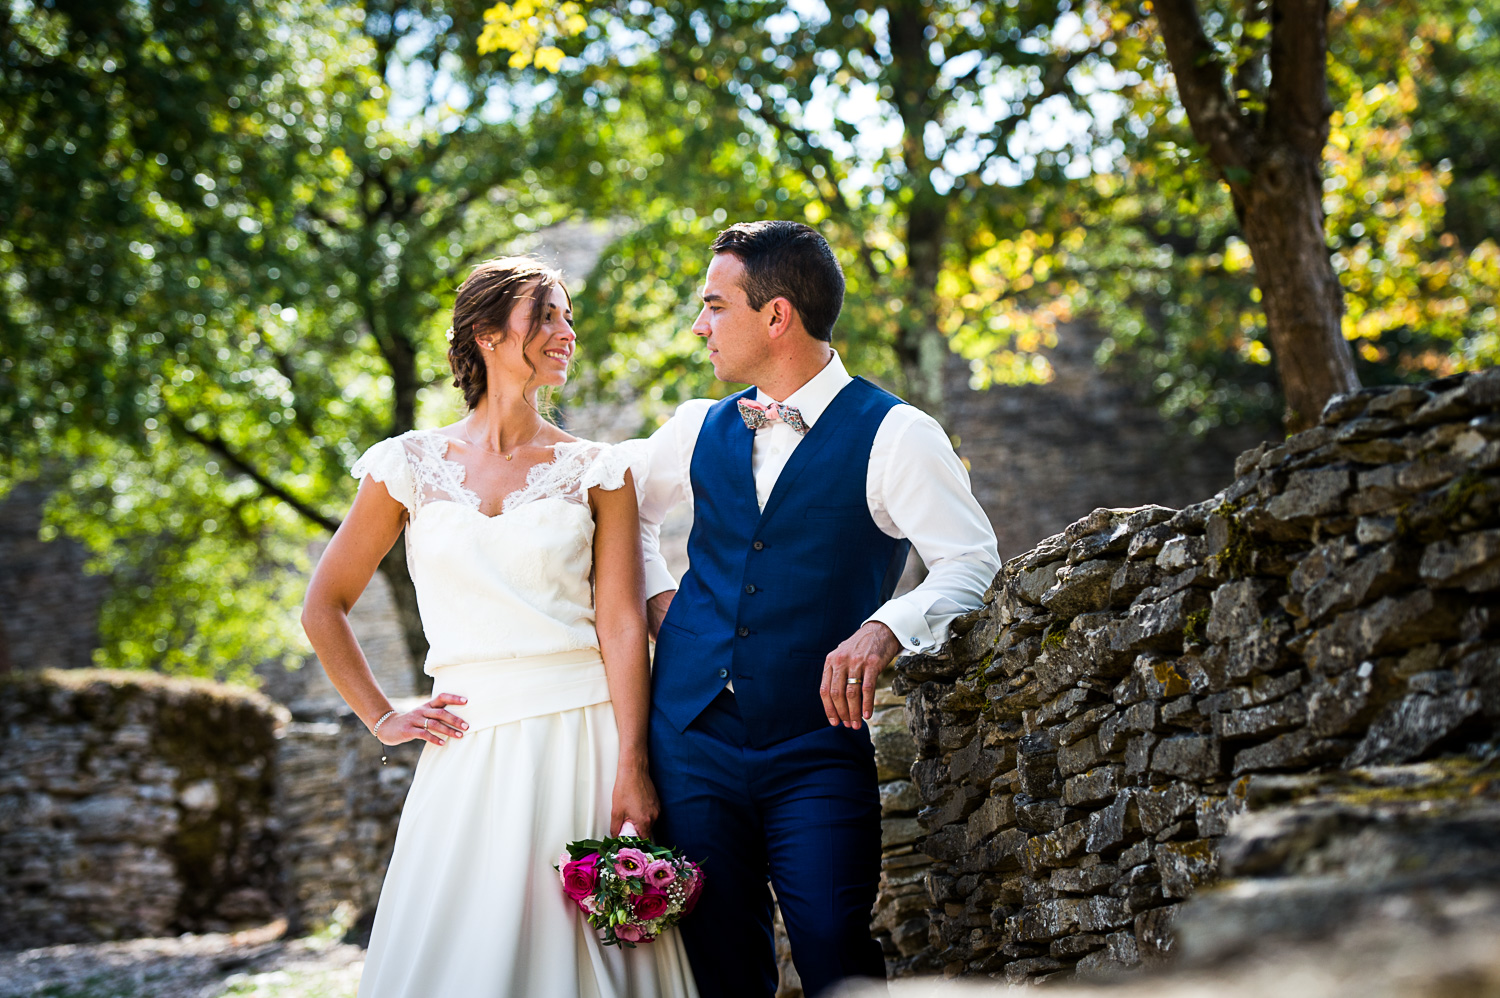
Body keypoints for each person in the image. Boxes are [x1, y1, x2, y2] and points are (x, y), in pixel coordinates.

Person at [301, 257, 697, 998]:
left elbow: (619, 625)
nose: (565, 332)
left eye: (568, 316)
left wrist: (633, 763)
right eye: (546, 314)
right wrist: (383, 716)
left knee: (585, 962)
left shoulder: (599, 469)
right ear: (486, 333)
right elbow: (323, 605)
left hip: (583, 738)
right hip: (468, 748)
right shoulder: (406, 465)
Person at [631, 221, 1000, 997]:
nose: (700, 325)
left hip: (816, 740)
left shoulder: (898, 433)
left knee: (835, 942)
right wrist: (662, 596)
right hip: (691, 733)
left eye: (714, 305)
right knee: (719, 959)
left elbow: (970, 562)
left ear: (776, 316)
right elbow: (615, 510)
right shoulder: (697, 425)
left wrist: (884, 627)